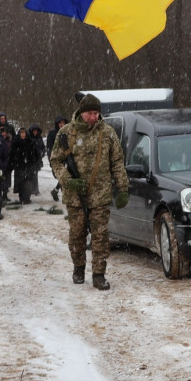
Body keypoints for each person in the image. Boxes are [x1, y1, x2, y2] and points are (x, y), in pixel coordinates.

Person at [49, 94, 129, 290]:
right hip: (75, 196)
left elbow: (117, 162)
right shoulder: (66, 133)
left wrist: (123, 188)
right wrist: (68, 181)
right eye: (90, 113)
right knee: (77, 235)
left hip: (100, 194)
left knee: (100, 235)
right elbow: (56, 161)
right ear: (81, 113)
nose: (94, 117)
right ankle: (78, 267)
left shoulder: (108, 133)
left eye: (96, 113)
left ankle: (99, 274)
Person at [10, 127, 38, 204]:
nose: (23, 135)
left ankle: (27, 198)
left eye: (24, 133)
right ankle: (22, 198)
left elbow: (36, 154)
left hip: (29, 166)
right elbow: (12, 154)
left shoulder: (31, 142)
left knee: (28, 182)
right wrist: (12, 163)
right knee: (20, 183)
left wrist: (36, 163)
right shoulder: (15, 143)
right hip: (19, 166)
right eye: (21, 133)